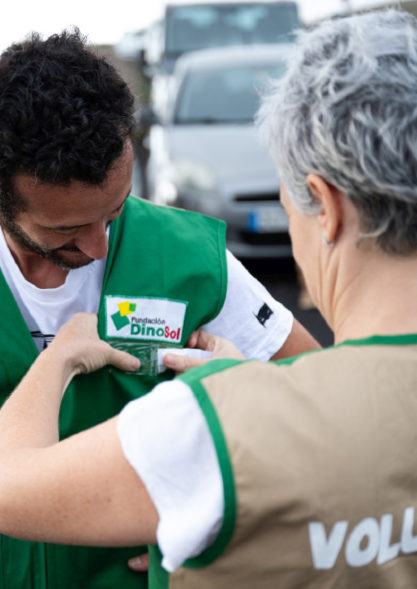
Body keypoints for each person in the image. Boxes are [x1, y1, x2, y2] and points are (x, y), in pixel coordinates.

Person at [4, 8, 417, 587]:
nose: (99, 246)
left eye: (116, 211)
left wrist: (212, 505)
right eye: (64, 231)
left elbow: (313, 385)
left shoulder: (188, 257)